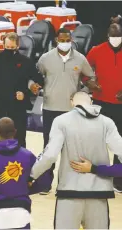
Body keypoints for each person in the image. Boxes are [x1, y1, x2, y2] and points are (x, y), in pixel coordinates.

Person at [30, 92, 122, 229]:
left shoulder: (61, 121)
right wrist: (99, 169)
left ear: (71, 102)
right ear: (91, 101)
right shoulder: (107, 122)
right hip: (99, 194)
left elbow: (49, 156)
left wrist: (32, 175)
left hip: (69, 194)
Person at [30, 27, 99, 195]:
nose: (65, 43)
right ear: (56, 40)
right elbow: (35, 77)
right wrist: (32, 85)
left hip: (71, 112)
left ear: (71, 40)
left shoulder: (80, 59)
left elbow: (90, 78)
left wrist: (84, 92)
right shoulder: (46, 59)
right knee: (50, 148)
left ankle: (68, 184)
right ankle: (45, 184)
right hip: (50, 108)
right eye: (62, 40)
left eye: (68, 40)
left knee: (72, 149)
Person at [0, 32, 44, 147]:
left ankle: (20, 163)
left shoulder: (26, 62)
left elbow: (39, 82)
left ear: (17, 46)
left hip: (18, 105)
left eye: (12, 47)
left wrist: (26, 94)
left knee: (20, 138)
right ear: (3, 45)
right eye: (7, 47)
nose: (9, 49)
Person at [85, 23, 122, 193]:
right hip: (101, 102)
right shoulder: (96, 50)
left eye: (119, 35)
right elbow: (83, 71)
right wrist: (89, 82)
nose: (116, 38)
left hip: (120, 105)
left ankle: (118, 181)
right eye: (113, 35)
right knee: (96, 140)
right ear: (107, 35)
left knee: (120, 143)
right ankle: (94, 175)